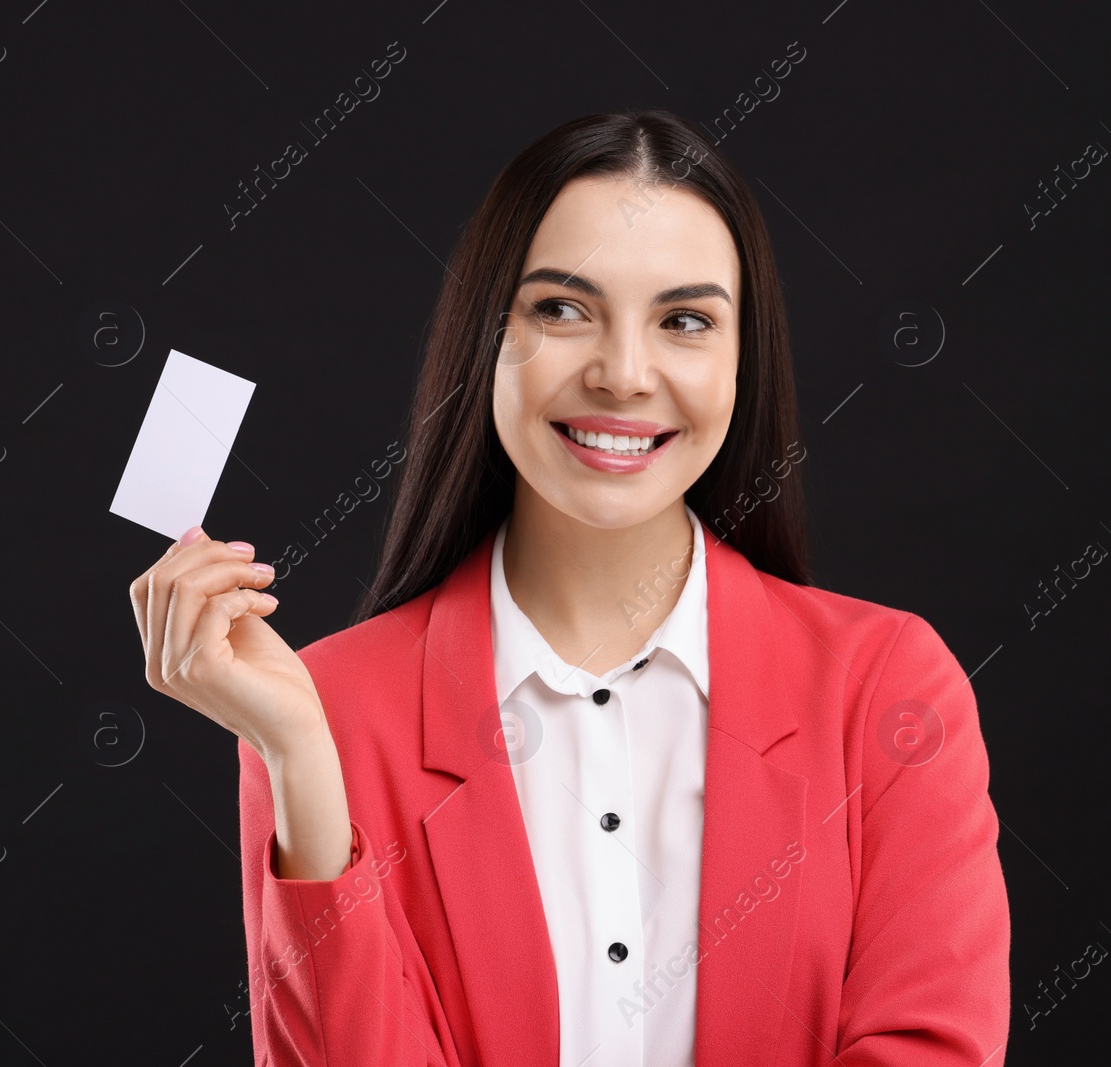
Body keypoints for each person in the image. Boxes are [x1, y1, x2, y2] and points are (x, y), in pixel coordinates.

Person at [128, 109, 1010, 1066]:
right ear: (485, 337)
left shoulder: (888, 686)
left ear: (742, 357)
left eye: (684, 321)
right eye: (560, 308)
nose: (624, 374)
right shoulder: (322, 710)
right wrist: (300, 749)